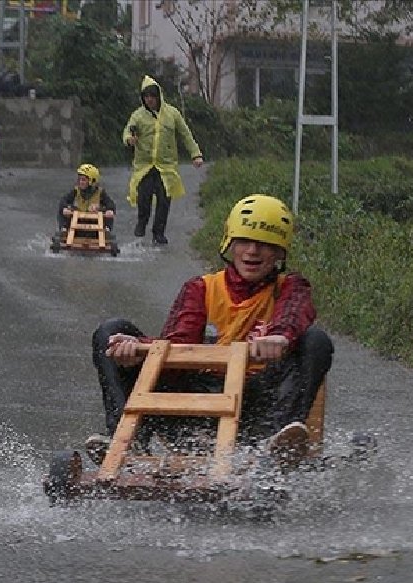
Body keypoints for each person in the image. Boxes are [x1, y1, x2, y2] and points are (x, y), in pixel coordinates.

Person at [89, 194, 333, 469]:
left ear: (279, 252)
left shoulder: (291, 287)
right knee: (110, 331)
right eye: (243, 241)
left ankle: (279, 444)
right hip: (198, 399)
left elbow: (294, 312)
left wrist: (279, 337)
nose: (252, 251)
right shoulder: (201, 287)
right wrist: (136, 349)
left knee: (316, 340)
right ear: (230, 244)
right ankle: (126, 440)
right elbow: (178, 342)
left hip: (256, 405)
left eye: (264, 244)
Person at [123, 76, 204, 246]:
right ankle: (142, 222)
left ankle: (158, 232)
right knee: (143, 197)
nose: (150, 100)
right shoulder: (138, 116)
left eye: (153, 96)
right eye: (146, 96)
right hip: (144, 166)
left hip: (166, 167)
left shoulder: (172, 114)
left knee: (163, 200)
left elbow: (185, 135)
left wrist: (195, 154)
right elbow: (127, 132)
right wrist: (129, 139)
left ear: (159, 95)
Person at [57, 163, 117, 242]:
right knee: (62, 210)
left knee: (109, 214)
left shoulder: (101, 192)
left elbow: (111, 204)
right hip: (78, 222)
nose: (80, 182)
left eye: (83, 180)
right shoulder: (76, 191)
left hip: (94, 225)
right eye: (80, 179)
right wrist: (65, 208)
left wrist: (107, 210)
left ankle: (106, 231)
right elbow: (63, 200)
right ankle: (64, 229)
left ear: (92, 181)